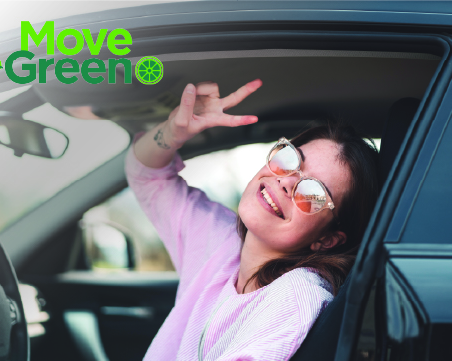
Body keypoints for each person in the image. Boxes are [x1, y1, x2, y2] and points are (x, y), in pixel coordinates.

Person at [125, 79, 379, 361]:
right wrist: (172, 133)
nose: (286, 181)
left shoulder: (294, 301)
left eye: (313, 192)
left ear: (327, 239)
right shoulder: (220, 240)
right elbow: (146, 175)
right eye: (290, 159)